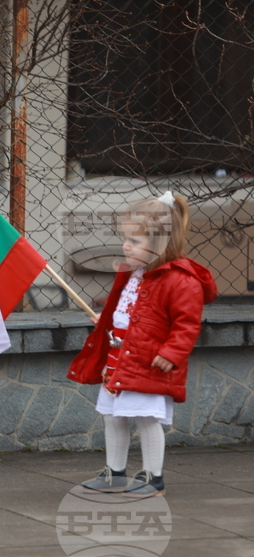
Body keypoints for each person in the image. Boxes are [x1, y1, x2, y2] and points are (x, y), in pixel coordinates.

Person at [68, 191, 217, 498]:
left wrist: (172, 352)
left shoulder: (180, 281)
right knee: (113, 416)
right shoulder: (133, 274)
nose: (125, 246)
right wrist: (107, 321)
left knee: (147, 420)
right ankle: (115, 473)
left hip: (150, 362)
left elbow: (187, 324)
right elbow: (127, 311)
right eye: (126, 239)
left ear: (160, 243)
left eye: (134, 242)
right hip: (119, 360)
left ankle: (153, 478)